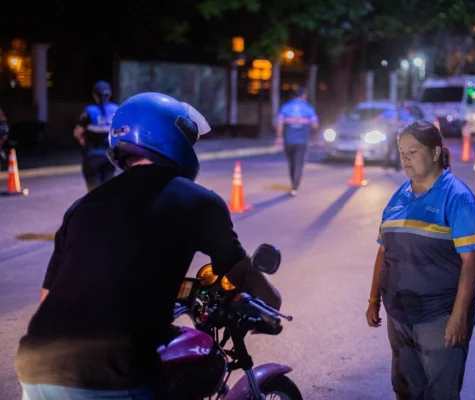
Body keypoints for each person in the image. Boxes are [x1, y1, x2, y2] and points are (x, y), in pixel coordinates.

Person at [14, 92, 282, 400]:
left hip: (35, 368)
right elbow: (239, 270)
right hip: (110, 377)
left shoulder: (83, 205)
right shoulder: (198, 201)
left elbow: (49, 296)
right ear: (173, 137)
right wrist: (272, 305)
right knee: (190, 370)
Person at [366, 120, 475, 400]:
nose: (405, 158)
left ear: (434, 152)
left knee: (440, 393)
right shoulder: (399, 196)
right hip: (399, 314)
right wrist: (374, 299)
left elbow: (472, 261)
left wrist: (459, 317)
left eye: (413, 151)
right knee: (405, 388)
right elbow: (384, 251)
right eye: (401, 151)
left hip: (438, 316)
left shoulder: (458, 198)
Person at [74, 81, 119, 192]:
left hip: (92, 156)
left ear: (94, 95)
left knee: (94, 193)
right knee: (107, 190)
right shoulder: (116, 109)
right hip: (111, 156)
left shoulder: (90, 111)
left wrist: (83, 141)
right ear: (110, 94)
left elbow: (77, 132)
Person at [275, 87, 319, 196]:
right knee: (299, 163)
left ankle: (292, 182)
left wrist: (279, 137)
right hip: (302, 141)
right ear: (304, 95)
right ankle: (295, 186)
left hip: (289, 140)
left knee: (291, 163)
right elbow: (315, 125)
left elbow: (279, 124)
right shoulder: (308, 108)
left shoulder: (286, 107)